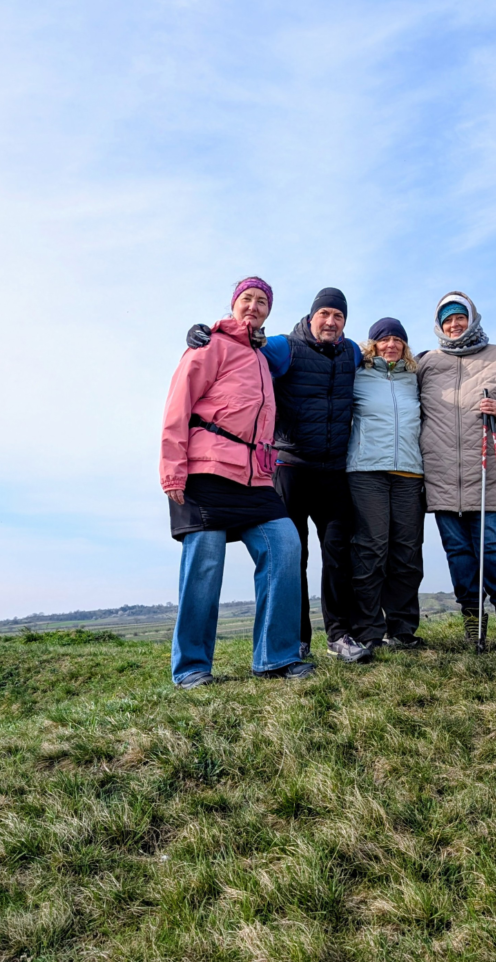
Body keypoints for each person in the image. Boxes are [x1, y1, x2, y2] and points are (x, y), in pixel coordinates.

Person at [160, 277, 314, 688]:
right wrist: (172, 470)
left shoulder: (264, 356)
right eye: (247, 298)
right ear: (233, 304)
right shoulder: (209, 344)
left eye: (262, 301)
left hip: (256, 479)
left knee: (285, 545)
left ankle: (275, 658)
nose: (254, 306)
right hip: (205, 469)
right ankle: (191, 667)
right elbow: (177, 407)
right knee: (205, 565)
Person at [417, 291, 496, 653]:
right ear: (439, 325)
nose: (454, 325)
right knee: (457, 551)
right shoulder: (426, 363)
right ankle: (473, 621)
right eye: (448, 319)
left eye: (460, 317)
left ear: (472, 319)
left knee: (494, 547)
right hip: (441, 475)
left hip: (490, 470)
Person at [263, 287, 371, 663]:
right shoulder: (286, 347)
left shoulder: (351, 352)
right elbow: (246, 343)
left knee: (338, 553)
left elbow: (386, 360)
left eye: (338, 316)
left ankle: (339, 636)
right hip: (291, 468)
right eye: (324, 313)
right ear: (312, 317)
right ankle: (297, 639)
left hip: (334, 471)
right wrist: (208, 333)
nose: (330, 321)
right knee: (295, 555)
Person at [346, 317, 425, 650]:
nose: (391, 345)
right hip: (366, 472)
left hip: (409, 472)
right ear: (372, 344)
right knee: (371, 550)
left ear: (405, 345)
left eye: (397, 339)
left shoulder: (415, 379)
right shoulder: (357, 375)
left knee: (407, 554)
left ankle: (402, 630)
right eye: (384, 339)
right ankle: (368, 630)